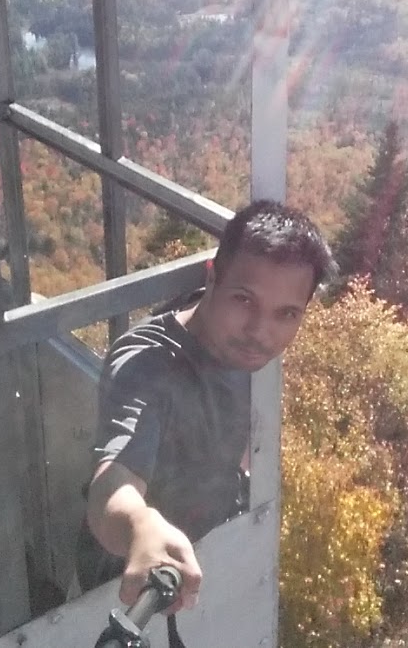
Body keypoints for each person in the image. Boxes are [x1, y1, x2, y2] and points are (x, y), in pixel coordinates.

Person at [76, 199, 334, 618]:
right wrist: (139, 527)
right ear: (213, 277)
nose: (260, 333)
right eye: (244, 300)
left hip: (206, 562)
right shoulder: (151, 363)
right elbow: (113, 481)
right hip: (125, 589)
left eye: (286, 313)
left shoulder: (243, 349)